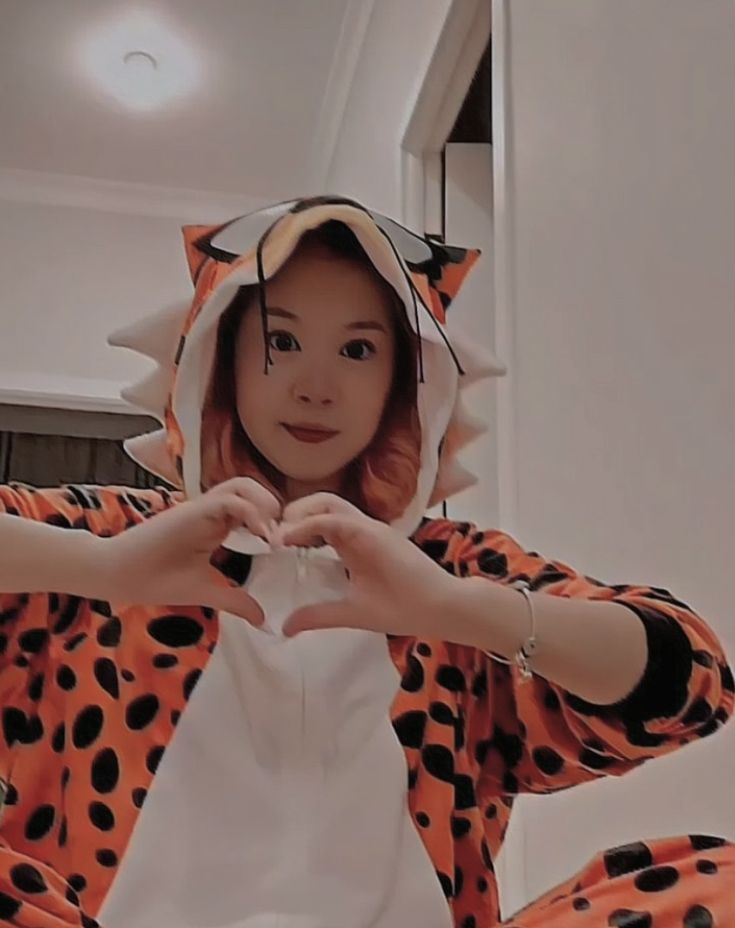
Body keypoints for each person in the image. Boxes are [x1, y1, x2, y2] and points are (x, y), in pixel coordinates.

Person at [0, 195, 732, 928]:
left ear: (405, 382)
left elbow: (691, 684)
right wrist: (99, 568)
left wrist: (452, 609)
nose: (315, 385)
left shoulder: (448, 570)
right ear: (218, 360)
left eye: (357, 350)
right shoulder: (110, 539)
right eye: (278, 344)